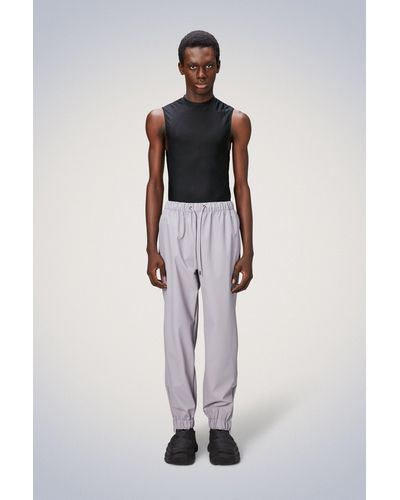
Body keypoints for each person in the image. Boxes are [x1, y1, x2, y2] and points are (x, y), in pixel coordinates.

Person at [145, 30, 254, 465]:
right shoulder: (160, 117)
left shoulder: (235, 119)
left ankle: (221, 427)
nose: (201, 74)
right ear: (180, 68)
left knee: (221, 325)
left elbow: (241, 185)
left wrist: (248, 250)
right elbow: (155, 183)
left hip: (220, 221)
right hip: (176, 221)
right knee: (177, 326)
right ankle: (183, 428)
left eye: (208, 65)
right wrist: (151, 247)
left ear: (218, 66)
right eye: (193, 66)